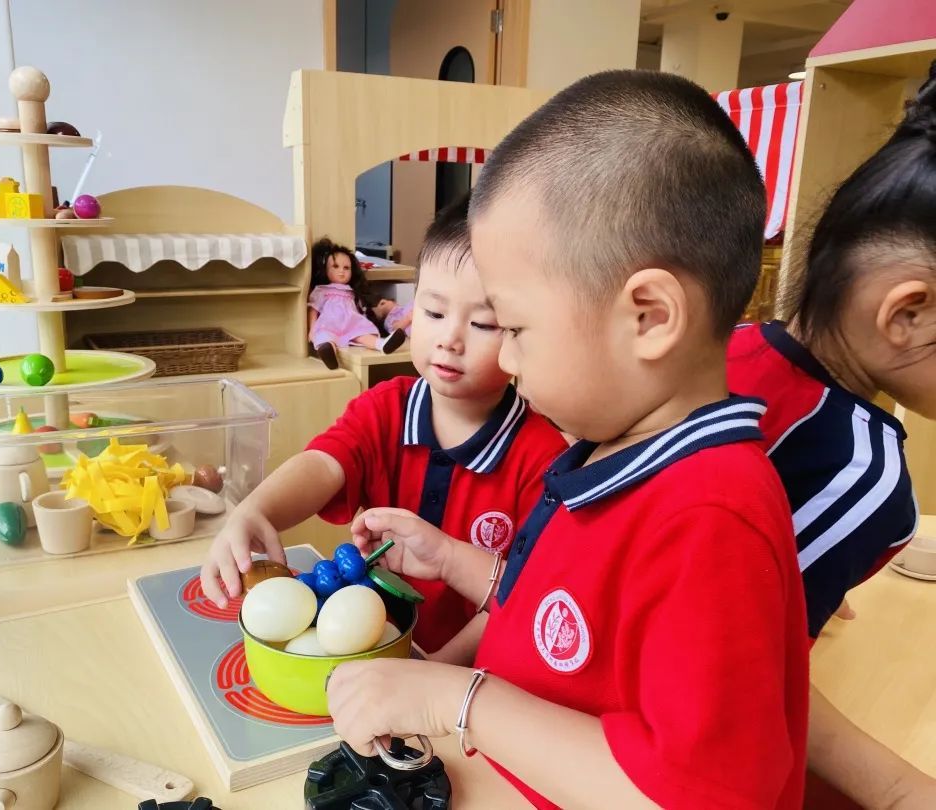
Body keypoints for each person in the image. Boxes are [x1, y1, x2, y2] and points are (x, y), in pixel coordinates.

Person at [327, 70, 809, 809]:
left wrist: (458, 701)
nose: (507, 360)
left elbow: (699, 795)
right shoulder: (607, 452)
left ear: (649, 317)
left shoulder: (709, 515)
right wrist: (452, 559)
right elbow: (566, 625)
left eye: (514, 328)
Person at [200, 196, 567, 655]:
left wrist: (437, 670)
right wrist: (255, 511)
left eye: (482, 323)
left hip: (464, 672)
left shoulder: (544, 460)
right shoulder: (385, 408)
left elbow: (522, 596)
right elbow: (324, 464)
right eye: (433, 313)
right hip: (374, 648)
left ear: (522, 333)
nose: (449, 340)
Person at [728, 64, 936, 810]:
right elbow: (743, 676)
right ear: (906, 313)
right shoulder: (867, 478)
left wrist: (799, 583)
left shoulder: (728, 346)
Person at [307, 237, 405, 369]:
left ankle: (382, 344)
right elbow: (313, 310)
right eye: (335, 266)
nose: (341, 271)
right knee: (324, 336)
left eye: (346, 268)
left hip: (351, 323)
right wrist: (312, 330)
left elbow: (360, 308)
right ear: (325, 269)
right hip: (330, 323)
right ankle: (328, 352)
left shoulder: (351, 291)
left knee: (363, 334)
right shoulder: (322, 290)